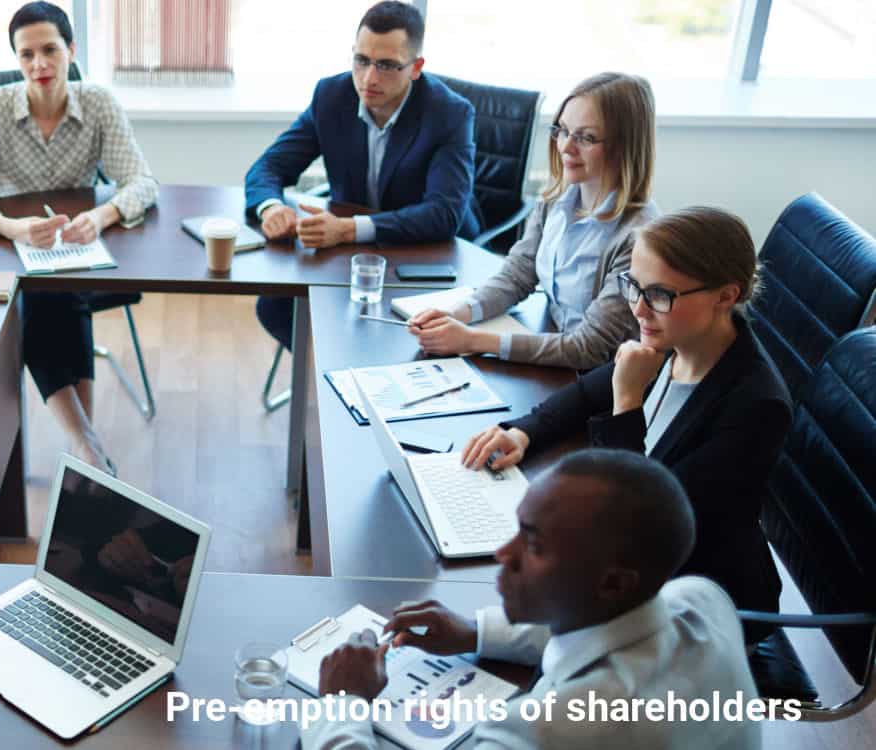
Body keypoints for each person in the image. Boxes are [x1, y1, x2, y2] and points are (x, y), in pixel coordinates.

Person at [460, 207, 791, 637]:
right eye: (633, 286)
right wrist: (524, 431)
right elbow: (586, 393)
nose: (638, 309)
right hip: (636, 576)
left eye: (658, 295)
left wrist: (628, 400)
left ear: (725, 297)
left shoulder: (756, 407)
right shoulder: (679, 338)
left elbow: (635, 526)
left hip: (698, 610)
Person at [305, 449, 762, 749]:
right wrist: (478, 632)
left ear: (614, 583)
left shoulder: (545, 731)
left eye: (535, 544)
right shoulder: (702, 598)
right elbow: (605, 627)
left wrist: (343, 701)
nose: (504, 553)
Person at [0, 1, 160, 474]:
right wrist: (10, 225)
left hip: (76, 247)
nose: (39, 65)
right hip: (5, 251)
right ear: (16, 59)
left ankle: (84, 451)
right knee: (45, 297)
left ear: (71, 50)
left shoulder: (98, 102)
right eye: (26, 55)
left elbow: (142, 183)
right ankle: (87, 447)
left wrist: (102, 216)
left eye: (49, 50)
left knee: (57, 295)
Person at [245, 1, 480, 352]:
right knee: (275, 307)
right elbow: (268, 167)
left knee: (404, 339)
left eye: (386, 65)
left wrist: (348, 228)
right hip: (348, 257)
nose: (369, 78)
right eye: (362, 60)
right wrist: (271, 207)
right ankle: (329, 382)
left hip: (428, 257)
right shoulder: (331, 96)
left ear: (416, 67)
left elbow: (443, 215)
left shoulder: (449, 113)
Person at [408, 72, 660, 369]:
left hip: (600, 377)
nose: (566, 147)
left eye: (586, 137)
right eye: (563, 131)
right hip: (549, 348)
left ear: (624, 146)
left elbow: (589, 348)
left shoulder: (637, 238)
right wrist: (458, 312)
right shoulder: (556, 198)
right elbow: (518, 275)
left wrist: (471, 340)